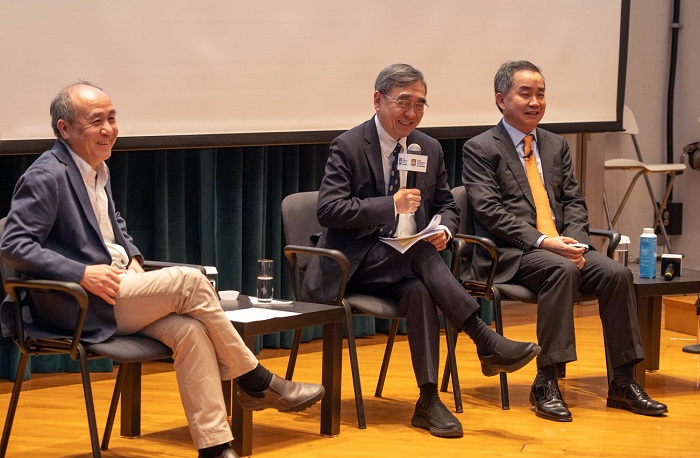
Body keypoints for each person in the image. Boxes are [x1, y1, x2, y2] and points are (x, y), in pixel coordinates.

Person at [0, 82, 325, 458]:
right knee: (189, 279)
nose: (109, 129)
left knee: (191, 332)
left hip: (120, 288)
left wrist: (133, 255)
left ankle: (216, 447)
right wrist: (80, 273)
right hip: (81, 305)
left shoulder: (95, 166)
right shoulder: (47, 176)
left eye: (112, 118)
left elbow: (110, 223)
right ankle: (255, 379)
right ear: (64, 129)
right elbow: (13, 246)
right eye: (96, 122)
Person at [301, 63, 540, 438]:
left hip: (406, 268)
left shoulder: (427, 147)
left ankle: (428, 401)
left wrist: (444, 227)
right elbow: (329, 210)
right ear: (378, 100)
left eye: (420, 104)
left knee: (419, 285)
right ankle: (483, 337)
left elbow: (448, 204)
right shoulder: (348, 146)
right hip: (355, 264)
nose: (412, 113)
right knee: (417, 255)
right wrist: (389, 204)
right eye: (404, 102)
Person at [462, 60, 668, 422]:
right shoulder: (480, 148)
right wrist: (544, 242)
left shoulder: (555, 145)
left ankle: (623, 381)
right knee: (561, 270)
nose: (535, 102)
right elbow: (489, 211)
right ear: (501, 100)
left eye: (541, 94)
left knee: (617, 274)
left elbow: (574, 201)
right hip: (511, 254)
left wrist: (576, 242)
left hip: (562, 248)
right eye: (525, 93)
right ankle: (546, 381)